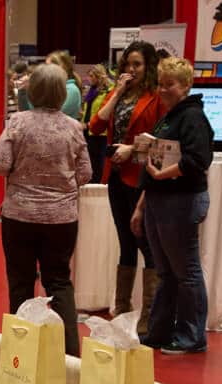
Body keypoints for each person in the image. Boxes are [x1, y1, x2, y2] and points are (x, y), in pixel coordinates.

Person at [0, 63, 91, 356]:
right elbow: (85, 173)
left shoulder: (18, 122)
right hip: (61, 219)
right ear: (62, 93)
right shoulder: (73, 128)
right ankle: (71, 354)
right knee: (59, 282)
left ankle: (20, 352)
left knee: (20, 282)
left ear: (32, 91)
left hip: (19, 216)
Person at [133, 57, 214, 355]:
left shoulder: (192, 117)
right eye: (160, 84)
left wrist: (162, 174)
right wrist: (142, 205)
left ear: (186, 86)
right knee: (165, 271)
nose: (163, 89)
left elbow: (197, 161)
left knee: (186, 271)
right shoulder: (169, 116)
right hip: (160, 200)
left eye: (170, 84)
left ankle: (192, 337)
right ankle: (160, 331)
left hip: (181, 200)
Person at [88, 41, 165, 331]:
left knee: (146, 243)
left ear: (148, 67)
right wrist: (118, 90)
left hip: (141, 178)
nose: (131, 70)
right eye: (127, 65)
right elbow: (95, 126)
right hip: (116, 177)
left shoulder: (155, 96)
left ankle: (149, 315)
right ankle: (122, 308)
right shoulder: (117, 94)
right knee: (125, 242)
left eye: (137, 65)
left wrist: (132, 149)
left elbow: (160, 141)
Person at [81, 64, 112, 184]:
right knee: (91, 160)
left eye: (92, 76)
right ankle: (93, 182)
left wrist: (88, 124)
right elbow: (89, 109)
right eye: (89, 76)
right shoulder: (91, 91)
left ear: (99, 77)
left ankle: (100, 185)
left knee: (100, 162)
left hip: (101, 132)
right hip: (88, 130)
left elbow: (102, 112)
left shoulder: (107, 91)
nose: (89, 79)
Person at [41, 50, 82, 120]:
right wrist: (23, 91)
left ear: (63, 67)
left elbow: (51, 117)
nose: (45, 70)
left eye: (49, 67)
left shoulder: (71, 90)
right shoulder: (53, 87)